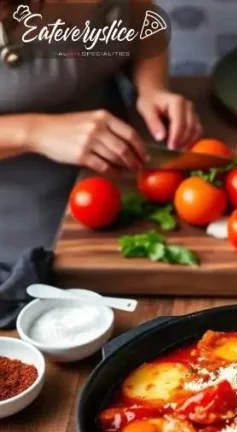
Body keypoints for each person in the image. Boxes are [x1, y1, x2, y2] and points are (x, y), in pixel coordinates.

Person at [0, 0, 201, 266]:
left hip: (120, 188)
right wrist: (34, 132)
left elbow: (141, 17)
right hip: (16, 239)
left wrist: (152, 87)